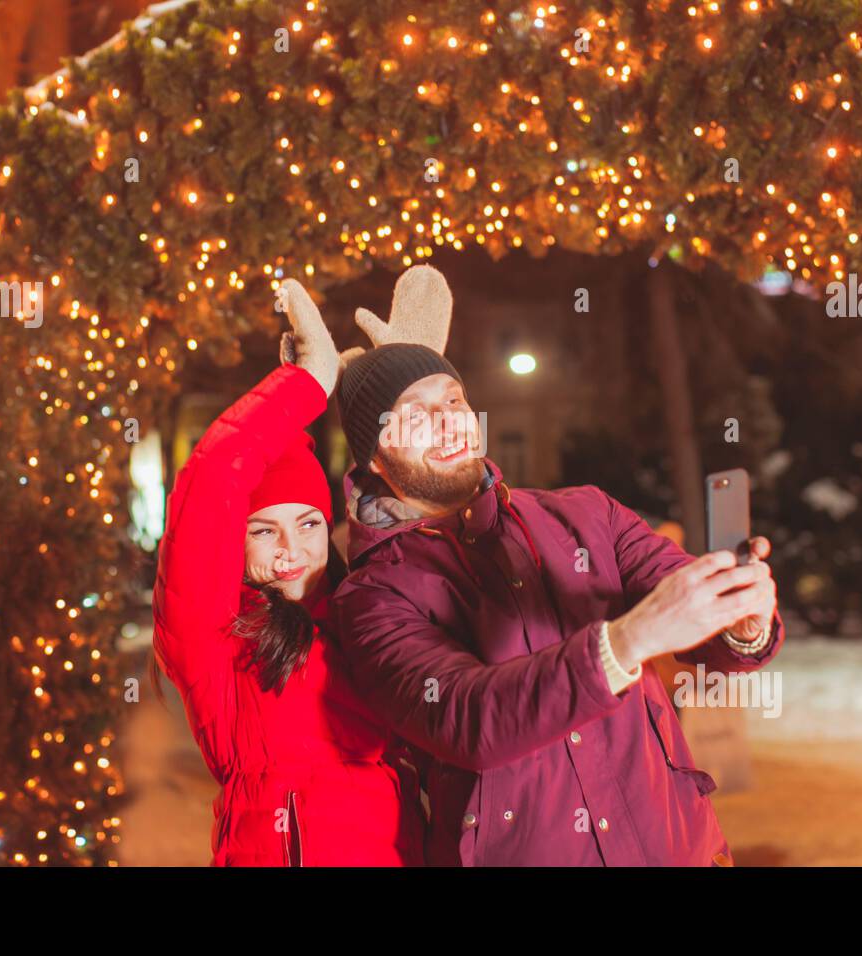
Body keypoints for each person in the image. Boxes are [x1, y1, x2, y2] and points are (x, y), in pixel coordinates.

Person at [330, 266, 784, 866]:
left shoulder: (589, 513)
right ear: (376, 461)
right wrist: (629, 640)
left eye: (454, 400)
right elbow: (469, 719)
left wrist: (741, 622)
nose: (447, 422)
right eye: (413, 415)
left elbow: (692, 612)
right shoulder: (371, 596)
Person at [150, 279, 425, 866]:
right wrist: (307, 384)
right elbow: (208, 488)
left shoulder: (378, 615)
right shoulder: (216, 641)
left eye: (306, 524)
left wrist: (409, 399)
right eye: (262, 530)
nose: (290, 549)